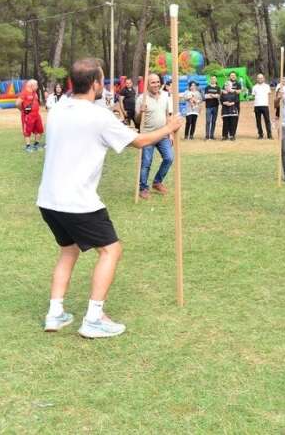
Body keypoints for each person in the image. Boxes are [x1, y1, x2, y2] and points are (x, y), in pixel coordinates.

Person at [37, 57, 184, 338]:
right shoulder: (98, 115)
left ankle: (55, 314)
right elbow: (139, 141)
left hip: (48, 199)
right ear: (94, 84)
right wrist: (170, 126)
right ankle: (94, 318)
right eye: (101, 81)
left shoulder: (57, 109)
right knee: (111, 250)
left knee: (68, 250)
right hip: (76, 200)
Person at [135, 73, 174, 199]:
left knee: (169, 158)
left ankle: (157, 182)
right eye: (153, 82)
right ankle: (143, 188)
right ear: (147, 84)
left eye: (158, 82)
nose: (156, 84)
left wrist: (170, 133)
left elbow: (168, 115)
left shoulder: (165, 96)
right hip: (148, 135)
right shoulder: (142, 98)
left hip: (163, 134)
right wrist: (141, 112)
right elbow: (137, 120)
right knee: (146, 162)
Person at [16, 79, 44, 152]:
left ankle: (36, 144)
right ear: (32, 85)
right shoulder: (24, 92)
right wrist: (22, 110)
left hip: (36, 115)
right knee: (27, 131)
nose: (37, 86)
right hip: (28, 115)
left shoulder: (35, 93)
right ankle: (28, 146)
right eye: (36, 85)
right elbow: (17, 103)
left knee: (40, 130)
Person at [251, 73, 272, 139]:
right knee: (258, 121)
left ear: (264, 78)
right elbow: (253, 95)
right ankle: (260, 134)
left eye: (261, 78)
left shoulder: (267, 86)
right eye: (258, 78)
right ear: (257, 79)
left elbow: (269, 94)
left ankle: (269, 135)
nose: (260, 79)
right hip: (257, 105)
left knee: (267, 120)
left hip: (265, 105)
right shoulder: (254, 87)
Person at [203, 75, 220, 140]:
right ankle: (207, 136)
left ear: (216, 80)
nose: (213, 80)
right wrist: (214, 95)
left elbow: (218, 96)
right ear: (210, 80)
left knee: (213, 121)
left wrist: (211, 95)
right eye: (212, 79)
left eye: (214, 79)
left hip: (215, 106)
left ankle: (212, 135)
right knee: (208, 121)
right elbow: (206, 96)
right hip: (208, 107)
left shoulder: (218, 88)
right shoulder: (207, 87)